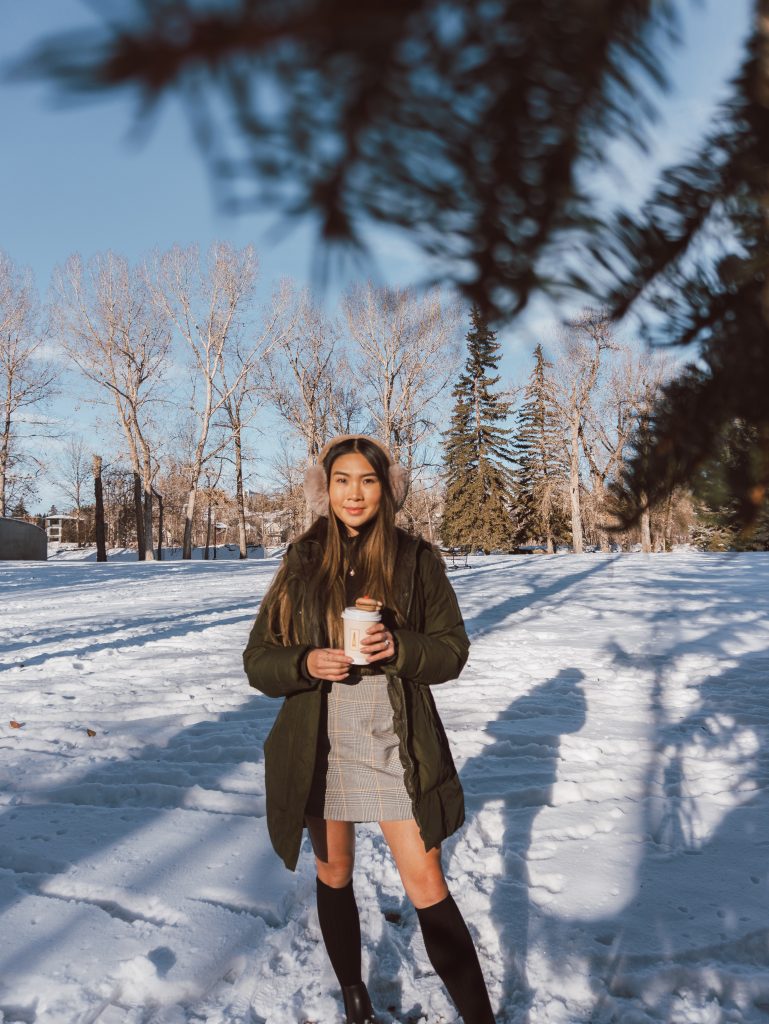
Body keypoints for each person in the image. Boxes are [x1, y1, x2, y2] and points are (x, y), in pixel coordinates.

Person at [243, 435, 495, 1024]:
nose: (354, 494)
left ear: (386, 488)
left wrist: (399, 647)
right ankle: (356, 1003)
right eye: (342, 481)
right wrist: (305, 662)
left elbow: (452, 651)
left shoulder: (416, 559)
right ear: (324, 488)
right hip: (320, 743)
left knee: (427, 882)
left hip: (396, 742)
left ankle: (481, 1019)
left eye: (368, 481)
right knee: (334, 873)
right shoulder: (301, 559)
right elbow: (258, 659)